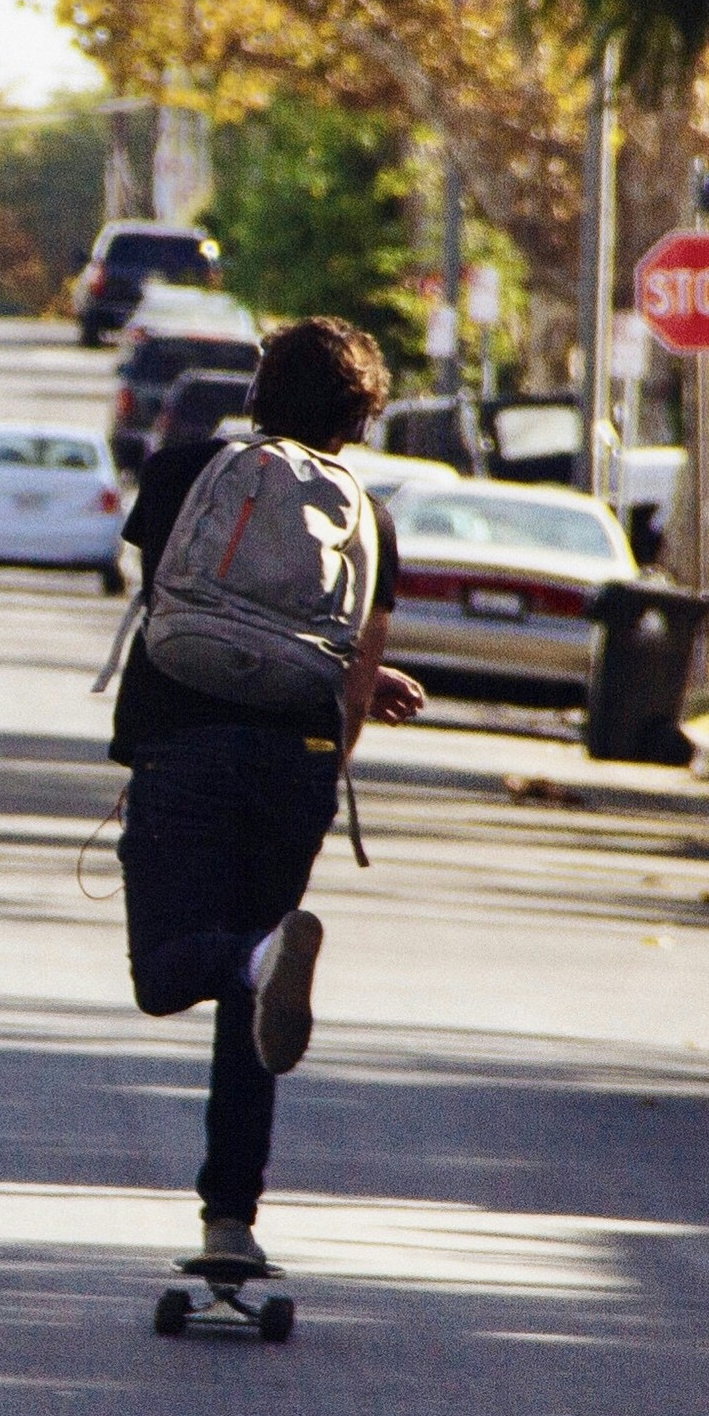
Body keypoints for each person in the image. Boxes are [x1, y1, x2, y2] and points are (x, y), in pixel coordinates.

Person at [108, 316, 423, 1269]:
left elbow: (167, 601)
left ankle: (253, 961)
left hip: (180, 747)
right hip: (295, 764)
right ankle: (230, 1220)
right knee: (257, 1018)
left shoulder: (182, 474)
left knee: (169, 971)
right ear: (360, 416)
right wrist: (321, 776)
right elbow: (357, 669)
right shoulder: (368, 517)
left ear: (259, 389)